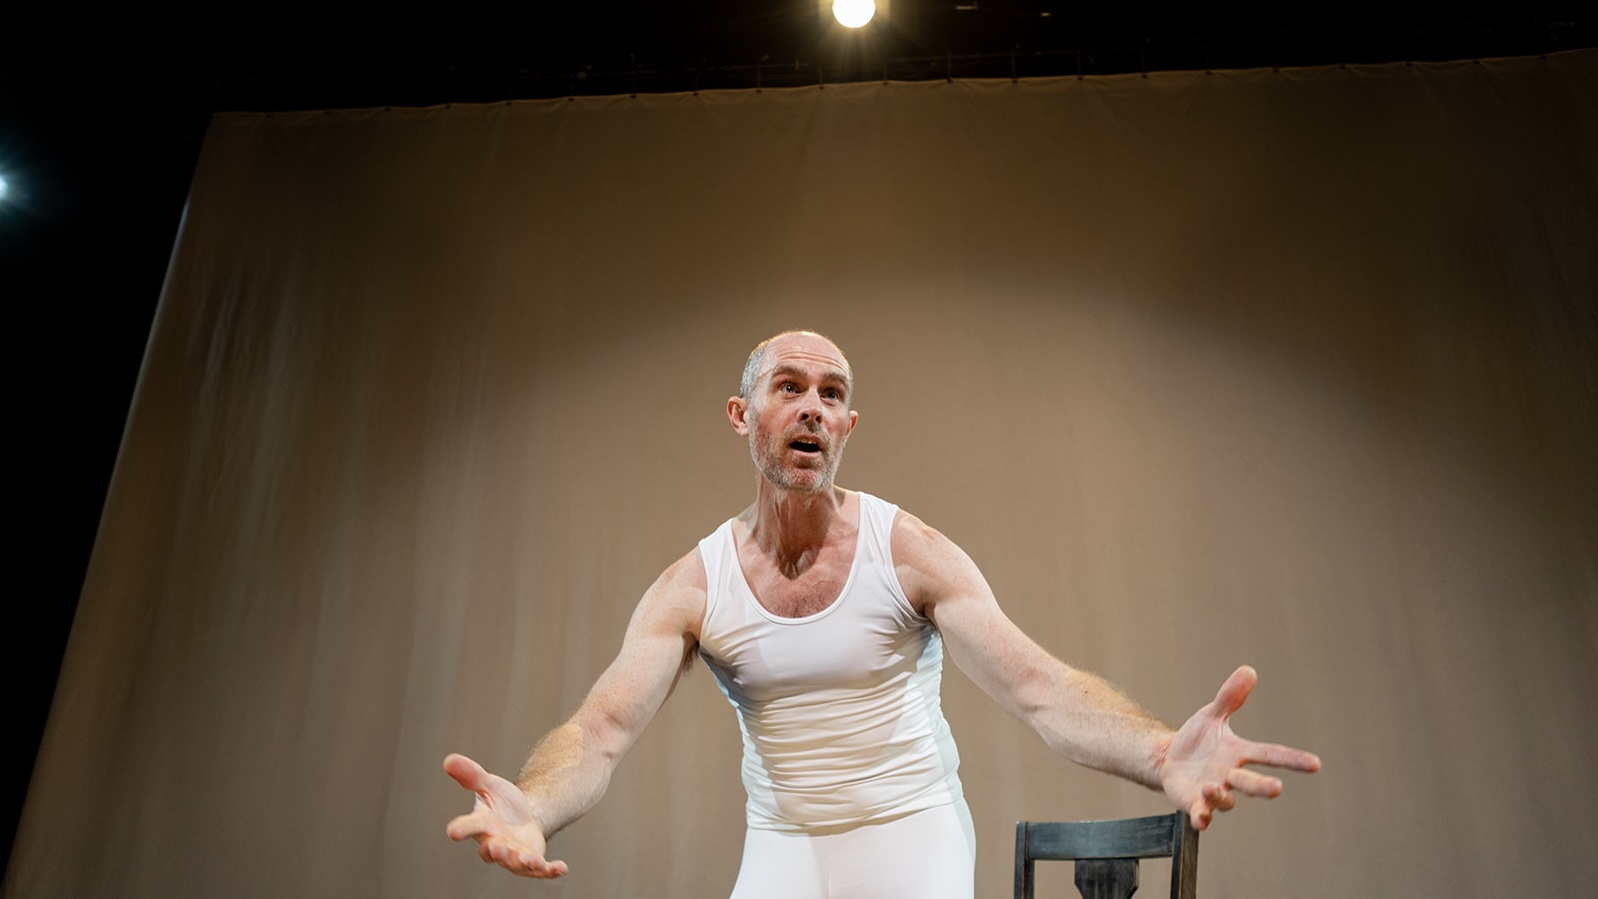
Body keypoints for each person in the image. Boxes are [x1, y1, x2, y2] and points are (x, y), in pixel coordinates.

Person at [444, 330, 1320, 898]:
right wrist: (536, 804)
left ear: (848, 425)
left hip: (913, 833)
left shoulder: (909, 553)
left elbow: (1041, 690)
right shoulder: (693, 586)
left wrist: (1162, 749)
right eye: (789, 387)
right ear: (743, 415)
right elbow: (599, 730)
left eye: (831, 394)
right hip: (783, 844)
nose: (812, 408)